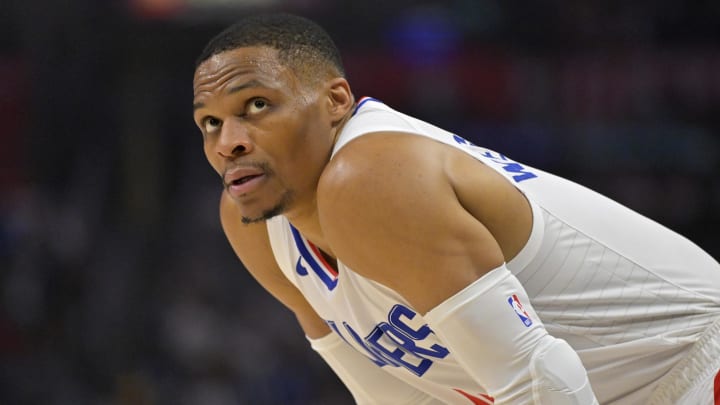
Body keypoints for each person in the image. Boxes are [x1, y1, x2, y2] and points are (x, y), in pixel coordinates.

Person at [191, 13, 720, 404]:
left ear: (336, 102)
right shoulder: (254, 225)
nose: (228, 142)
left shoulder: (370, 178)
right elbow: (389, 393)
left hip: (690, 365)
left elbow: (539, 376)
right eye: (210, 122)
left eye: (256, 106)